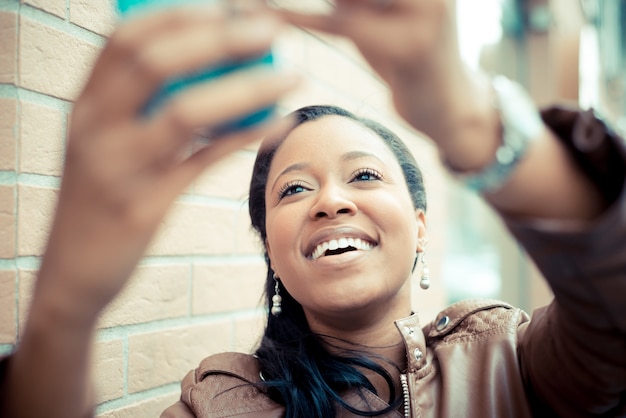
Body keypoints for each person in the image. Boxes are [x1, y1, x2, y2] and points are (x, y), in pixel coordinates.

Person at [1, 0, 625, 417]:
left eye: (364, 175)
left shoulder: (512, 360)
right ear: (271, 247)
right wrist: (65, 312)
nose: (331, 201)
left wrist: (470, 119)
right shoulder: (220, 404)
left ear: (421, 228)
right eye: (294, 189)